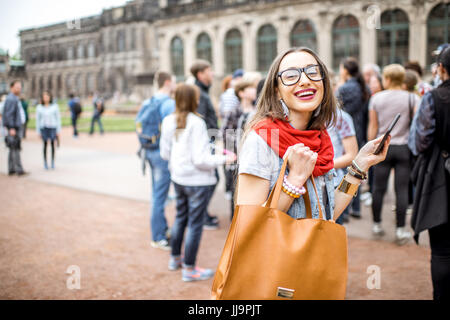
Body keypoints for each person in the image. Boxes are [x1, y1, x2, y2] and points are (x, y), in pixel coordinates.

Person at [236, 47, 389, 253]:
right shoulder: (263, 139)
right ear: (276, 89)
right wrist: (294, 181)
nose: (305, 80)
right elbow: (248, 227)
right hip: (275, 269)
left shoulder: (320, 138)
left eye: (313, 72)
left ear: (324, 83)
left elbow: (326, 214)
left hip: (313, 263)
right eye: (291, 75)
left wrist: (359, 166)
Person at [160, 83, 236, 282]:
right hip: (197, 181)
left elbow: (164, 153)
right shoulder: (196, 122)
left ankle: (175, 259)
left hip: (179, 178)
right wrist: (226, 159)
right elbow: (201, 160)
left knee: (180, 217)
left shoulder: (168, 120)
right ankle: (189, 268)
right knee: (194, 224)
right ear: (194, 100)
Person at [409, 46, 450, 301]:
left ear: (442, 68)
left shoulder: (434, 97)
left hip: (442, 182)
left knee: (443, 251)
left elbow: (420, 143)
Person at [368, 64, 420, 245]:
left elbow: (373, 126)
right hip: (403, 147)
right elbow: (416, 126)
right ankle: (400, 230)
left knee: (378, 187)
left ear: (387, 79)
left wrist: (370, 146)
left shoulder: (376, 99)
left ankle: (376, 224)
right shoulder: (412, 99)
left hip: (382, 146)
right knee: (402, 189)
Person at [136, 71, 176, 251]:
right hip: (161, 154)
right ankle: (158, 236)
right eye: (174, 81)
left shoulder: (148, 101)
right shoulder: (168, 103)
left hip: (148, 151)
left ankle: (161, 229)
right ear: (167, 82)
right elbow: (174, 130)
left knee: (157, 194)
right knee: (159, 197)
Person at [336, 57, 370, 219]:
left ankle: (345, 209)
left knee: (346, 170)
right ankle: (355, 207)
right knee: (357, 170)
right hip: (359, 130)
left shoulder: (345, 89)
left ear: (345, 70)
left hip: (346, 134)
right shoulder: (364, 87)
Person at [190, 60, 220, 230]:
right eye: (209, 71)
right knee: (210, 179)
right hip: (205, 144)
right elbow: (199, 120)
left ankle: (201, 213)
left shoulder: (202, 91)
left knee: (211, 179)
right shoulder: (199, 93)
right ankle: (200, 215)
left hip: (208, 142)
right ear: (201, 74)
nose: (213, 74)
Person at [224, 79, 258, 220]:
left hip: (255, 159)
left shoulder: (258, 111)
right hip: (237, 160)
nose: (254, 91)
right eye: (251, 88)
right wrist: (232, 156)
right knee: (236, 193)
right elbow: (227, 134)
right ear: (242, 93)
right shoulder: (234, 112)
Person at [328, 108, 358, 225]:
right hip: (299, 189)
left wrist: (320, 167)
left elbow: (352, 155)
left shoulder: (340, 117)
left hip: (334, 184)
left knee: (332, 233)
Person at [219, 69, 243, 200]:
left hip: (229, 130)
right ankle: (229, 188)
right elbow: (227, 112)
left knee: (229, 162)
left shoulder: (224, 95)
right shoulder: (232, 94)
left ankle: (228, 188)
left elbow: (222, 111)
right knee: (231, 161)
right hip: (231, 131)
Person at [2, 80, 28, 176]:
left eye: (20, 87)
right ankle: (19, 169)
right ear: (11, 87)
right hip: (14, 128)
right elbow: (9, 115)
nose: (19, 89)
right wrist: (11, 128)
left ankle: (11, 168)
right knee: (16, 147)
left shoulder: (13, 98)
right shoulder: (11, 99)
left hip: (14, 127)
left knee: (12, 148)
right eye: (17, 87)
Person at [35, 91, 61, 170]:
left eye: (47, 96)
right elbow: (38, 120)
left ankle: (52, 161)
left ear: (50, 97)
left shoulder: (55, 106)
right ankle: (45, 162)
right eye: (44, 96)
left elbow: (58, 119)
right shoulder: (39, 107)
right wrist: (38, 131)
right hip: (44, 128)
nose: (46, 98)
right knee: (45, 145)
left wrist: (58, 130)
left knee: (53, 145)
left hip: (52, 127)